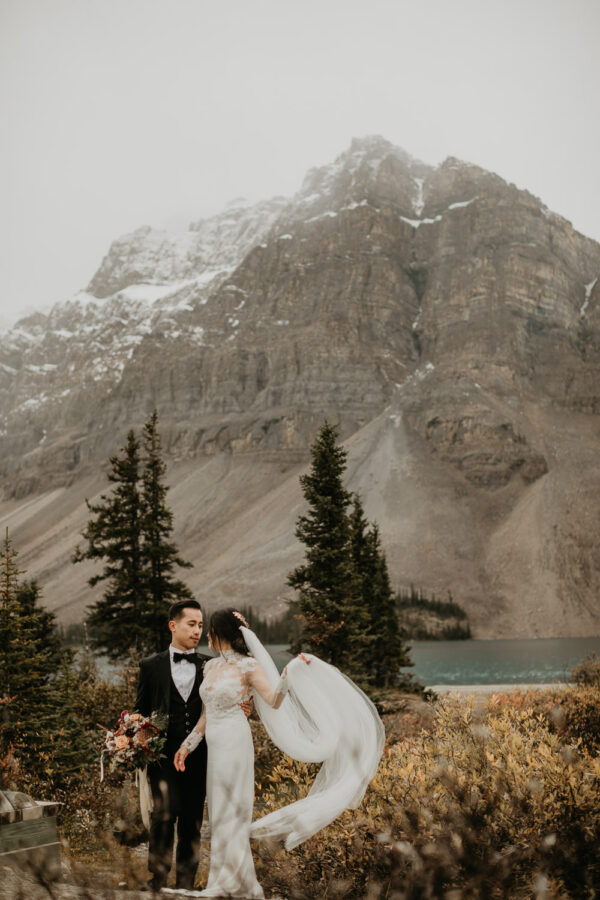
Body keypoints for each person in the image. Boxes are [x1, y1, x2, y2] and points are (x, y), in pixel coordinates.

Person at [170, 607, 385, 899]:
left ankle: (236, 883)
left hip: (235, 743)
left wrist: (288, 676)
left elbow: (272, 700)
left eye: (209, 630)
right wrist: (187, 745)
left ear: (220, 633)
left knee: (234, 810)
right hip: (215, 747)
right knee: (218, 811)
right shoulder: (210, 667)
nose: (205, 634)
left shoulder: (249, 666)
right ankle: (222, 882)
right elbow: (206, 715)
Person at [135, 600, 251, 892]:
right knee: (162, 818)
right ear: (173, 625)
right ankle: (157, 880)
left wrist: (243, 707)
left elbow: (233, 690)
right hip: (162, 756)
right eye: (192, 624)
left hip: (201, 755)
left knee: (191, 822)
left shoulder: (210, 664)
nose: (198, 630)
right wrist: (135, 735)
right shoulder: (150, 666)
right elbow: (140, 709)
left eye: (201, 625)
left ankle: (186, 883)